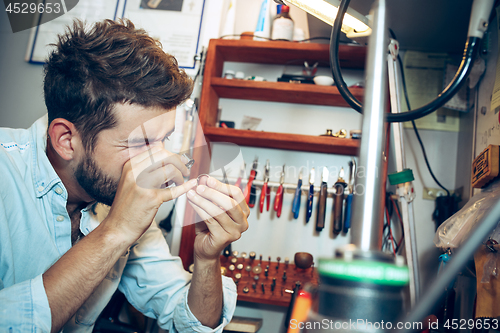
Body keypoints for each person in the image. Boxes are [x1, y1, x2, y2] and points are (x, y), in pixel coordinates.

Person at [0, 19, 249, 332]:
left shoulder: (115, 194)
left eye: (165, 139)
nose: (161, 162)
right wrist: (115, 231)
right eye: (141, 144)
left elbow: (190, 324)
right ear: (66, 140)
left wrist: (207, 258)